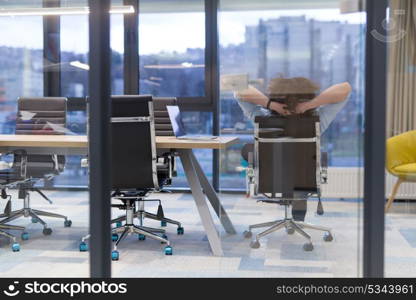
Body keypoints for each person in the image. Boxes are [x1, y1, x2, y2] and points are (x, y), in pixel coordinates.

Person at [235, 77, 352, 221]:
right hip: (304, 179)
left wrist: (271, 105)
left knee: (248, 149)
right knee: (314, 158)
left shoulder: (261, 118)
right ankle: (299, 194)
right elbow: (346, 88)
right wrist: (309, 106)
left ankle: (296, 194)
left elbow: (239, 88)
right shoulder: (317, 121)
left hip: (271, 178)